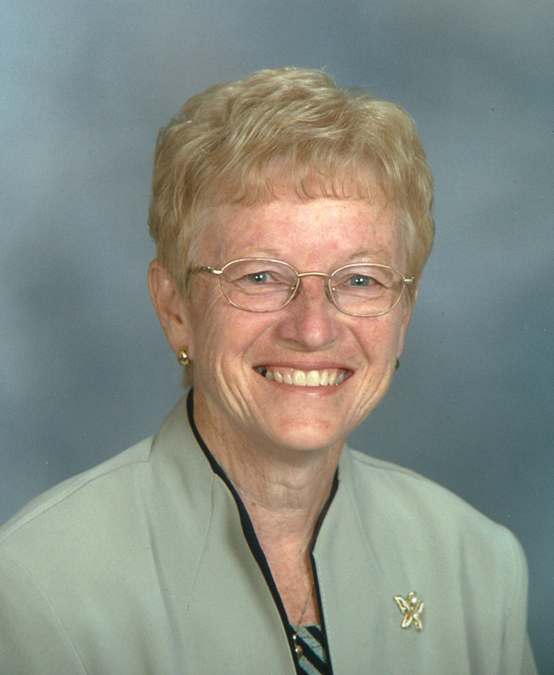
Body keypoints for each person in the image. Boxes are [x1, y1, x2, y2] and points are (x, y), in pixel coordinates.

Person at [0, 67, 537, 675]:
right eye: (260, 276)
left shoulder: (478, 569)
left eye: (361, 280)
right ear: (176, 309)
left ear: (403, 315)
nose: (312, 329)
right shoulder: (37, 588)